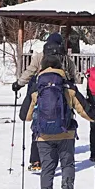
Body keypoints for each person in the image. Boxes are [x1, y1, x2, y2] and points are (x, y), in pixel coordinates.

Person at [20, 47, 95, 189]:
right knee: (67, 165)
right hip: (66, 133)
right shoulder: (67, 85)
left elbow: (25, 116)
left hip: (43, 136)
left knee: (47, 168)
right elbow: (83, 109)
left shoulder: (37, 87)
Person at [16, 33, 65, 172]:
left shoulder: (38, 56)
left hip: (40, 95)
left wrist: (19, 83)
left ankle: (35, 159)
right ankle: (54, 159)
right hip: (58, 96)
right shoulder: (63, 57)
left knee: (37, 126)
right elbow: (71, 75)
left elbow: (30, 71)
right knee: (60, 125)